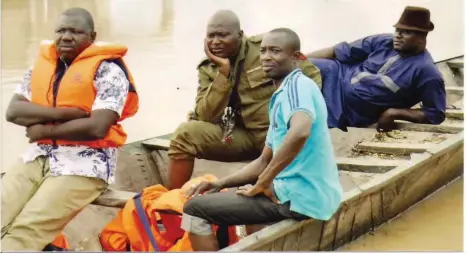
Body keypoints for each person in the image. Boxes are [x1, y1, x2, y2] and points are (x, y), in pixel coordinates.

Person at [180, 28, 343, 251]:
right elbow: (263, 161)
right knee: (247, 193)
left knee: (194, 209)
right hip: (298, 193)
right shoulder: (280, 96)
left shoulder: (297, 86)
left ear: (296, 57)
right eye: (264, 51)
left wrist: (264, 181)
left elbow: (300, 131)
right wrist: (220, 183)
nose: (266, 57)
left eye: (276, 51)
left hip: (303, 197)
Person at [2, 7, 138, 251]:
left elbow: (96, 126)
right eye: (61, 30)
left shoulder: (109, 71)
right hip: (39, 156)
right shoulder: (43, 66)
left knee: (27, 229)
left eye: (75, 32)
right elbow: (13, 112)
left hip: (86, 163)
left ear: (92, 37)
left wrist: (45, 131)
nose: (66, 36)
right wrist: (65, 114)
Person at [167, 10, 322, 190]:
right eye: (211, 36)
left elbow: (313, 76)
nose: (215, 42)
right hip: (242, 137)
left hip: (278, 136)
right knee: (184, 134)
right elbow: (205, 116)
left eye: (223, 35)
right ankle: (173, 202)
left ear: (240, 35)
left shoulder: (266, 49)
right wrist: (223, 72)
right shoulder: (208, 67)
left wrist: (294, 116)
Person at [306, 6, 446, 132]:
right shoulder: (384, 41)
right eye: (397, 30)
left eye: (406, 32)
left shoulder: (427, 72)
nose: (398, 35)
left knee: (315, 128)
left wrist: (394, 113)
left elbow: (435, 114)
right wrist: (299, 59)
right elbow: (338, 51)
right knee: (298, 68)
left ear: (422, 37)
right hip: (337, 75)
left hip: (348, 109)